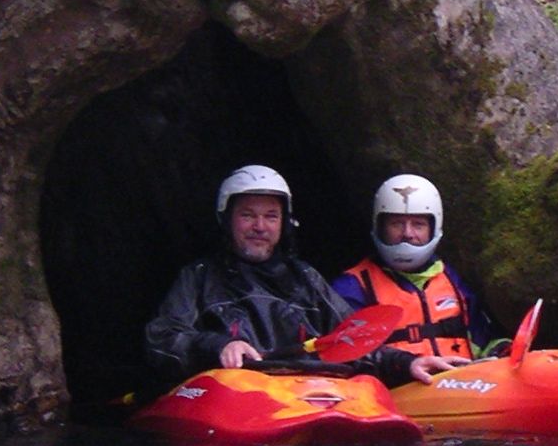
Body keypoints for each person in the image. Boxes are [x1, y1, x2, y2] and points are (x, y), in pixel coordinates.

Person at [144, 165, 464, 386]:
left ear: (284, 223)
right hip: (235, 392)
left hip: (303, 392)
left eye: (271, 216)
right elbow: (161, 339)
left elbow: (351, 338)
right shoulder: (198, 277)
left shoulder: (304, 279)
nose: (260, 226)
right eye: (248, 215)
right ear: (227, 220)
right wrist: (217, 345)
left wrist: (404, 363)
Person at [333, 173, 506, 360]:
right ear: (380, 227)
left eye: (418, 224)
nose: (407, 233)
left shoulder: (450, 279)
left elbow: (484, 339)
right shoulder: (352, 287)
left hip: (461, 383)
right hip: (396, 386)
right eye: (396, 224)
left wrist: (502, 349)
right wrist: (404, 366)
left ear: (433, 229)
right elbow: (346, 355)